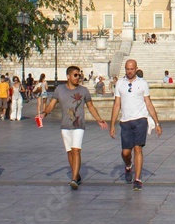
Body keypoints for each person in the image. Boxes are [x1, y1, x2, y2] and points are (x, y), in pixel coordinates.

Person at [39, 65, 108, 189]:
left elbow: (90, 106)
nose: (78, 77)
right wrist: (44, 113)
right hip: (65, 125)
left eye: (79, 75)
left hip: (78, 124)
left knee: (76, 150)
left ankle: (74, 178)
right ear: (68, 76)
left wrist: (98, 119)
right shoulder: (59, 89)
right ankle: (76, 174)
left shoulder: (84, 90)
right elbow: (52, 104)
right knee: (70, 152)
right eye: (75, 75)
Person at [110, 59, 162, 191]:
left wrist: (157, 123)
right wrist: (112, 125)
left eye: (131, 69)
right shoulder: (120, 83)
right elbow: (117, 105)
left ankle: (137, 179)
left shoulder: (143, 83)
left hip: (140, 120)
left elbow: (148, 103)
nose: (129, 71)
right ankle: (128, 166)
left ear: (136, 69)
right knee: (126, 152)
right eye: (127, 69)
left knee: (138, 149)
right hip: (125, 121)